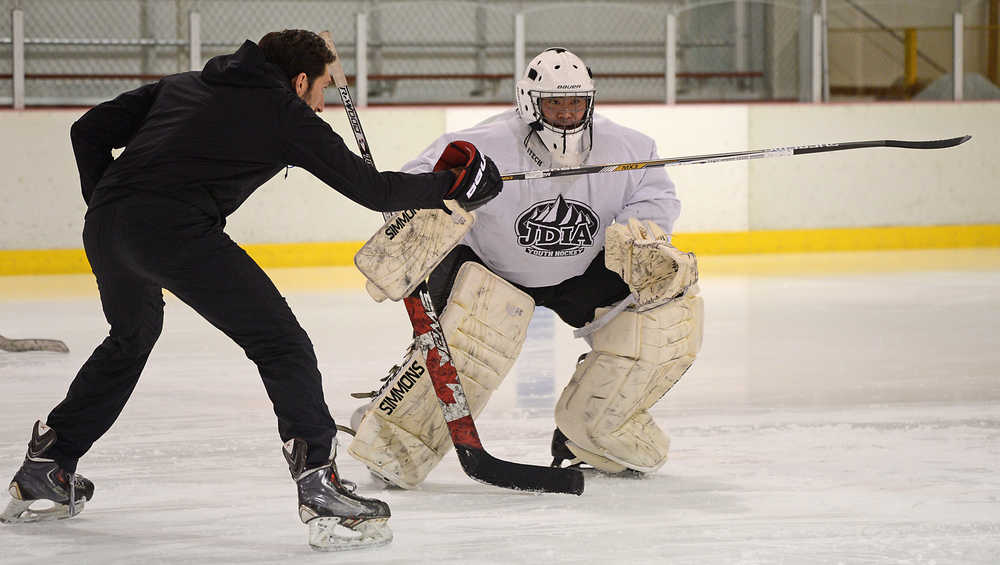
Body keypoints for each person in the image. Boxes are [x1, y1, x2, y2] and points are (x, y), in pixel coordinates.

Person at [0, 29, 502, 551]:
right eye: (323, 87)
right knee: (282, 345)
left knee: (130, 338)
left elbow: (88, 129)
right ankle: (320, 486)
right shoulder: (286, 114)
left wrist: (109, 202)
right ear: (300, 79)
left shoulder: (185, 85)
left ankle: (48, 466)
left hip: (106, 228)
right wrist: (453, 186)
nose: (324, 101)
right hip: (175, 230)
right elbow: (374, 191)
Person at [347, 48, 703, 489]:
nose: (568, 113)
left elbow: (657, 198)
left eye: (577, 103)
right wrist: (450, 186)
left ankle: (595, 433)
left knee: (666, 314)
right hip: (490, 270)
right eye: (556, 103)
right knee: (470, 346)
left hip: (582, 268)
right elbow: (411, 185)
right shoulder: (485, 142)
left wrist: (641, 233)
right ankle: (396, 429)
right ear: (529, 102)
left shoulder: (631, 147)